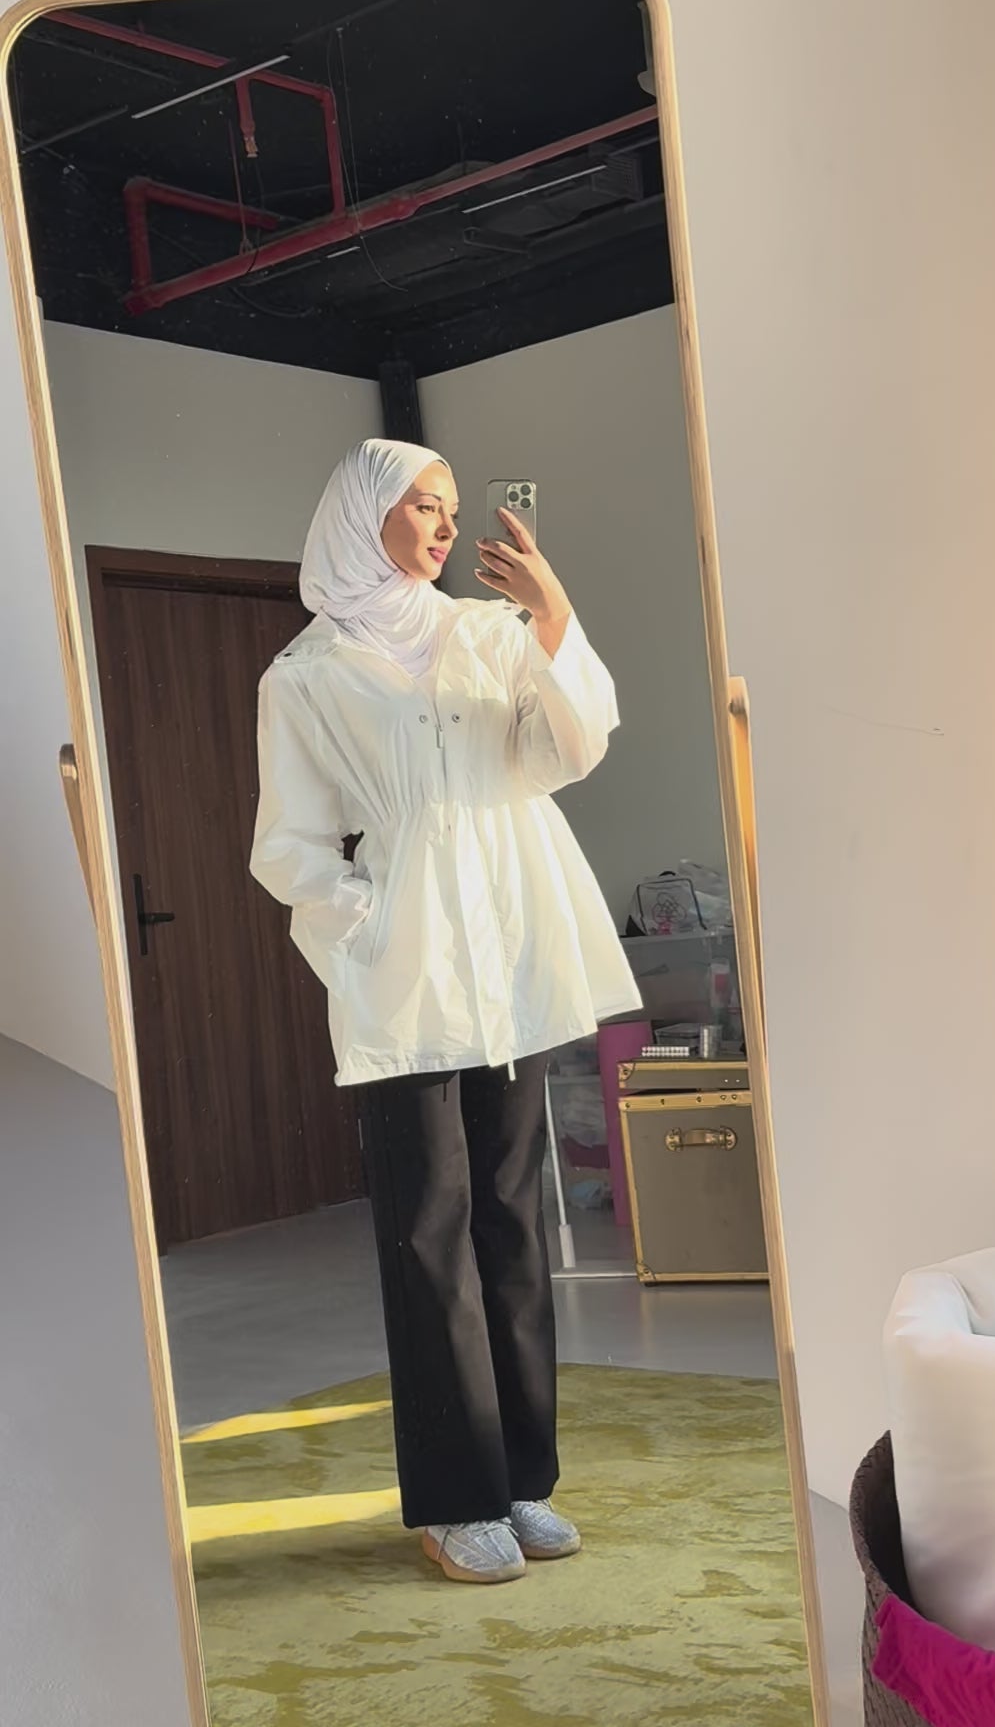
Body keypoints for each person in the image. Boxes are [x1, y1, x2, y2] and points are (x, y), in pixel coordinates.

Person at [250, 437, 642, 1584]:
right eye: (422, 506)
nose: (443, 526)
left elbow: (571, 749)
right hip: (409, 966)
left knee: (513, 1222)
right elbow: (288, 843)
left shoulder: (488, 631)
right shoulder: (305, 676)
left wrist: (553, 613)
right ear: (362, 514)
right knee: (428, 1233)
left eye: (451, 508)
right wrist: (366, 920)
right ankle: (453, 1498)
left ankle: (520, 1481)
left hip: (511, 951)